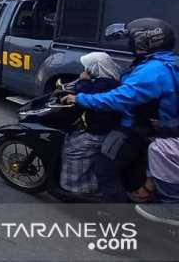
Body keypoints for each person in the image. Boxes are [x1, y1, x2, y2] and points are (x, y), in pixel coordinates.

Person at [61, 18, 179, 202]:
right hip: (161, 128)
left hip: (135, 129)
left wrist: (80, 98)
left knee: (105, 168)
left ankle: (119, 216)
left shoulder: (153, 70)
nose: (130, 44)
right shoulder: (168, 62)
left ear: (145, 41)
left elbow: (119, 99)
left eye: (132, 39)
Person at [59, 52, 121, 195]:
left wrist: (83, 81)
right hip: (103, 129)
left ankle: (74, 189)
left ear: (94, 68)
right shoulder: (111, 81)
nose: (85, 70)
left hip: (97, 132)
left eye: (87, 67)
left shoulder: (104, 85)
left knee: (71, 151)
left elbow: (89, 98)